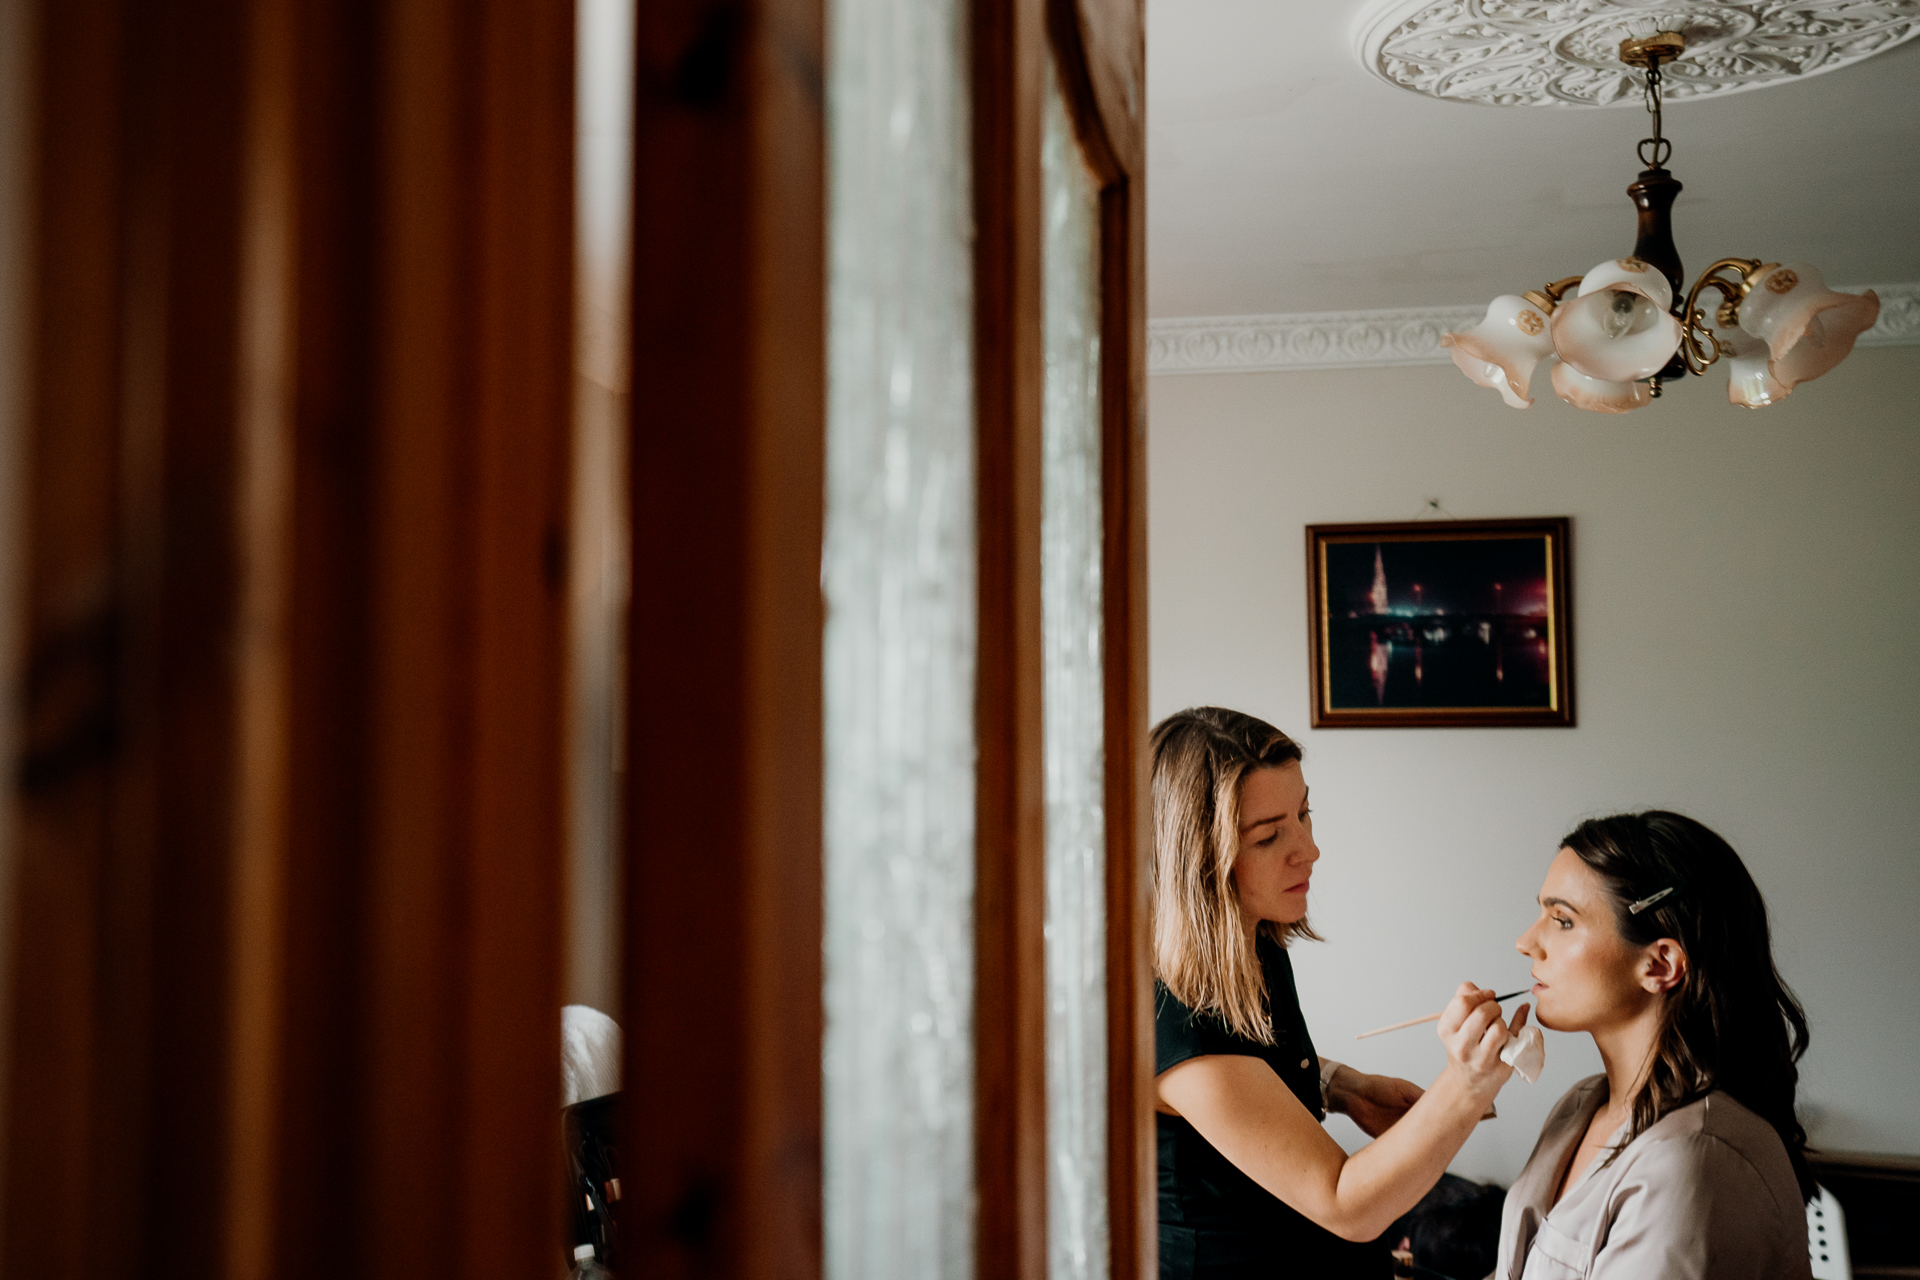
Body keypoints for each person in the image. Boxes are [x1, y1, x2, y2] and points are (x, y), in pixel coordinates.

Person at [1151, 707, 1525, 1279]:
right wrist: (1466, 1085)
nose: (1309, 849)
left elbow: (1247, 1070)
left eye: (1304, 814)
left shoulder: (1252, 942)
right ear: (1199, 862)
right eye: (1270, 835)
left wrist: (1342, 1086)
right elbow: (1345, 1204)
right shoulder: (1171, 1012)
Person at [1498, 811, 1814, 1280]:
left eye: (1562, 920)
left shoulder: (1693, 1160)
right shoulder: (1580, 1107)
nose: (1526, 942)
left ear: (1660, 963)